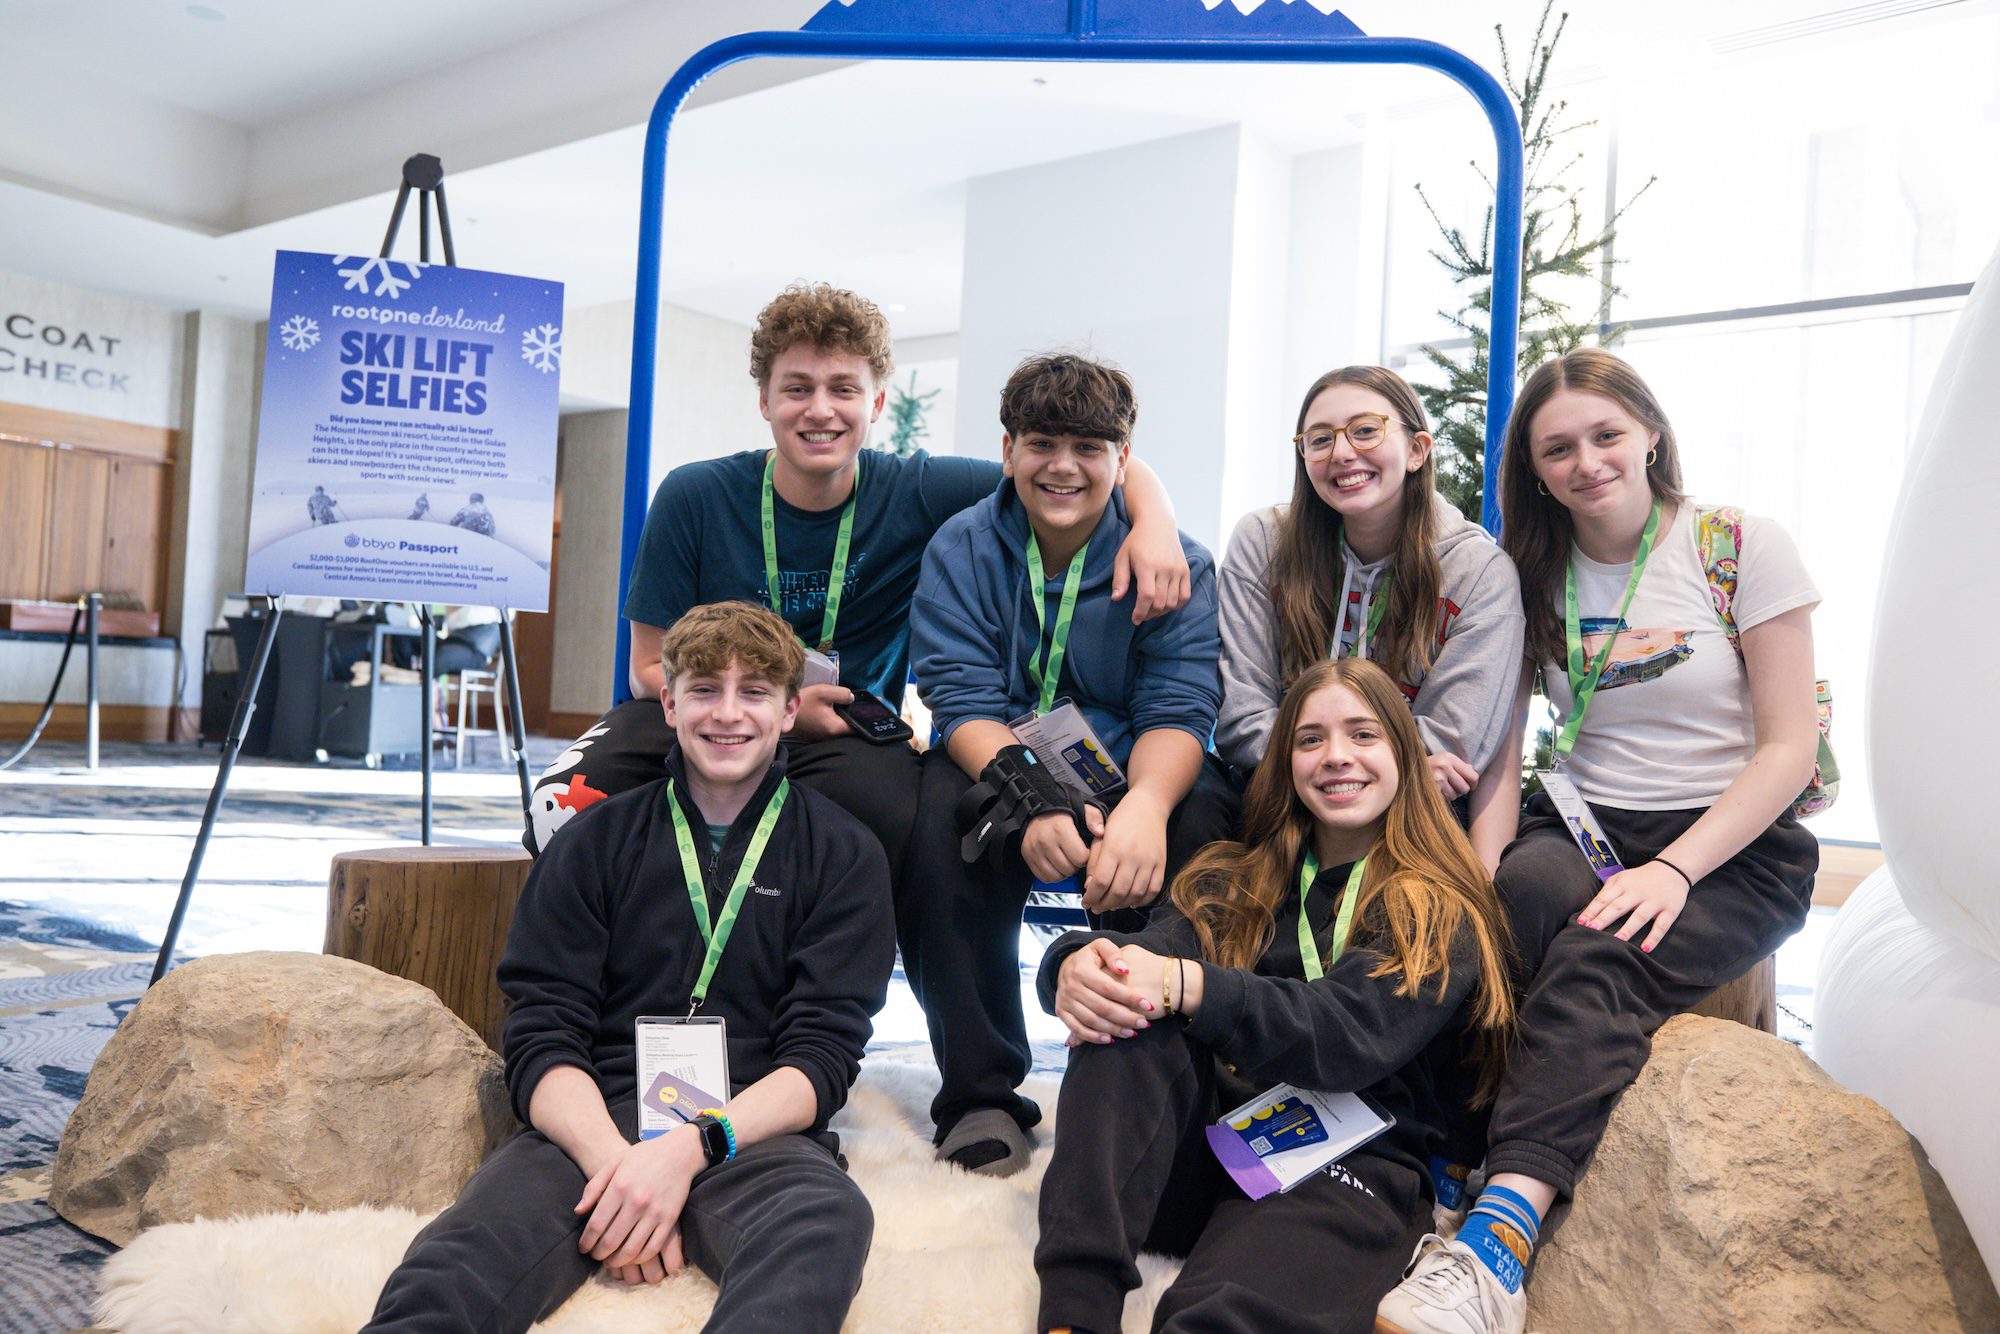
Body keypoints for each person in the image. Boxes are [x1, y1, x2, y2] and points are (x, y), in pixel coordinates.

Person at [1375, 348, 1822, 1334]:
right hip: (1582, 816)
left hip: (1731, 837)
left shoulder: (1737, 542)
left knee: (1596, 950)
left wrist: (1673, 869)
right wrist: (1481, 867)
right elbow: (1499, 743)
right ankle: (1444, 1162)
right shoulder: (1530, 569)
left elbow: (1791, 746)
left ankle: (1497, 1240)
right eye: (1557, 447)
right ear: (1532, 470)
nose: (1586, 461)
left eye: (1604, 434)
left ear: (1649, 433)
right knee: (1497, 915)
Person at [525, 282, 1194, 888]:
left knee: (899, 829)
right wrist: (775, 706)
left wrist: (1156, 518)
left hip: (844, 733)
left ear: (875, 401)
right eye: (797, 388)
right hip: (697, 712)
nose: (821, 410)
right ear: (765, 400)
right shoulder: (696, 495)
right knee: (560, 805)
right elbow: (648, 666)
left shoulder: (922, 489)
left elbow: (1063, 458)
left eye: (843, 389)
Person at [364, 601, 895, 1333]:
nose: (728, 714)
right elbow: (543, 1034)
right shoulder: (593, 841)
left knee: (825, 1222)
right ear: (668, 703)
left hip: (747, 1129)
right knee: (453, 1259)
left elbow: (823, 1058)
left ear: (790, 708)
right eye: (705, 690)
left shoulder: (845, 854)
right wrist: (622, 1167)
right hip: (594, 1117)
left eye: (754, 692)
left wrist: (689, 1150)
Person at [1032, 657, 1515, 1334]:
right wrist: (1076, 967)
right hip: (1202, 1155)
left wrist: (1191, 986)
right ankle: (1073, 1313)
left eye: (1363, 734)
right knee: (1128, 1011)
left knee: (1229, 1312)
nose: (1336, 757)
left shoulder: (1437, 905)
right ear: (1285, 761)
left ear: (1406, 754)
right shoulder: (1230, 876)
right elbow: (1151, 956)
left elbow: (1344, 1036)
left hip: (1348, 1156)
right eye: (1310, 739)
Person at [904, 352, 1230, 1177]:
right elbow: (961, 703)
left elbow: (1182, 708)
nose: (1063, 466)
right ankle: (981, 1094)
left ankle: (1134, 1084)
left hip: (1131, 771)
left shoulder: (1175, 561)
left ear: (1123, 460)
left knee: (1203, 822)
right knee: (937, 818)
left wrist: (1147, 810)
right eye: (1043, 442)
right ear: (1008, 447)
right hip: (1004, 764)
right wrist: (1033, 796)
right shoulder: (962, 549)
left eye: (1089, 447)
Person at [1216, 366, 1523, 867]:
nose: (1341, 453)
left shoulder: (1479, 572)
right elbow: (1241, 716)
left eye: (1365, 430)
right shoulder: (1263, 542)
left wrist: (1342, 765)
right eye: (1319, 439)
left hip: (1412, 817)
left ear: (1417, 450)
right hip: (1278, 801)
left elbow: (1454, 740)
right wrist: (1334, 767)